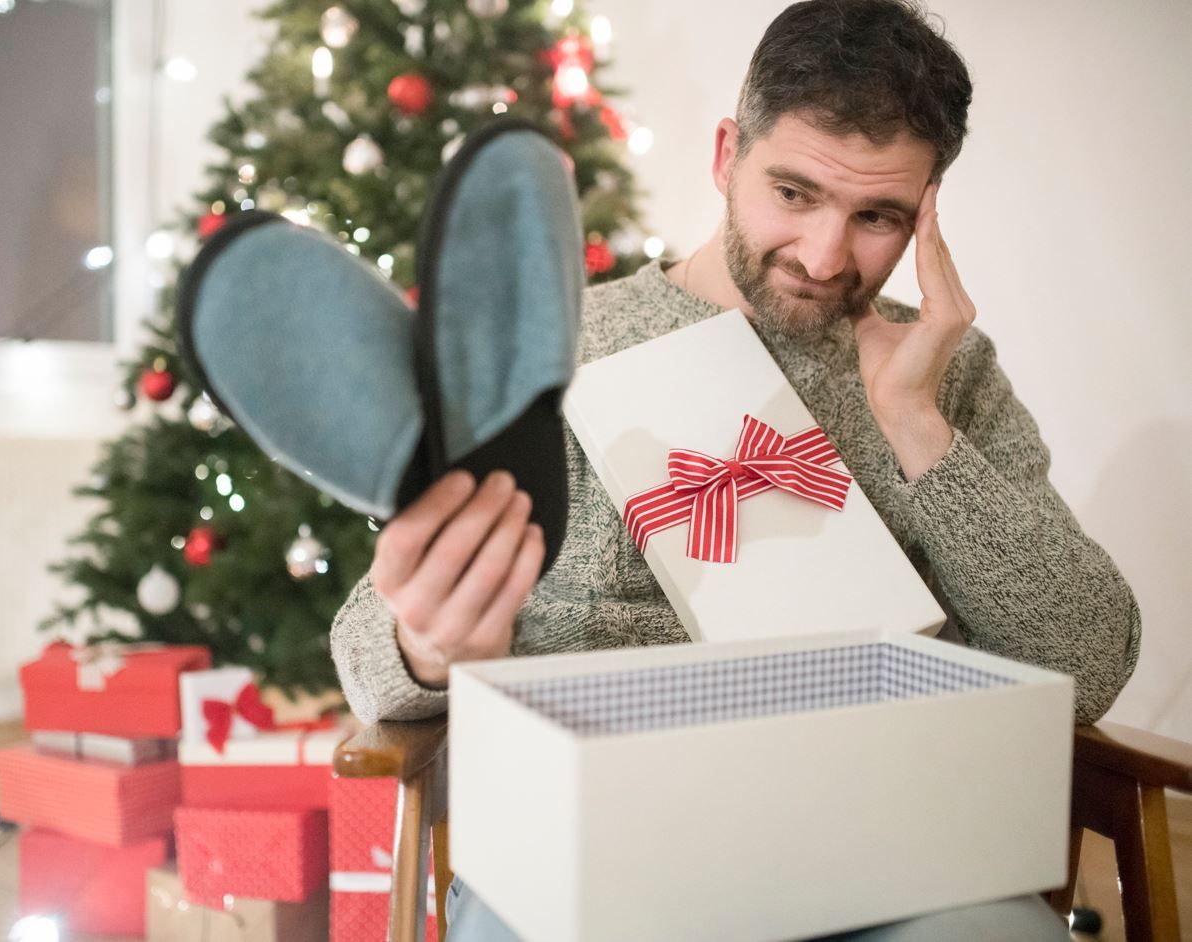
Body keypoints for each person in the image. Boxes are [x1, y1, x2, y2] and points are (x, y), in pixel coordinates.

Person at [330, 0, 1142, 938]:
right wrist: (428, 643)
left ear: (927, 211)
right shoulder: (554, 351)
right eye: (793, 193)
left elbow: (1086, 663)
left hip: (884, 852)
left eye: (877, 216)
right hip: (595, 851)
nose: (824, 255)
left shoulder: (948, 374)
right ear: (726, 156)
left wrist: (917, 426)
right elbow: (368, 654)